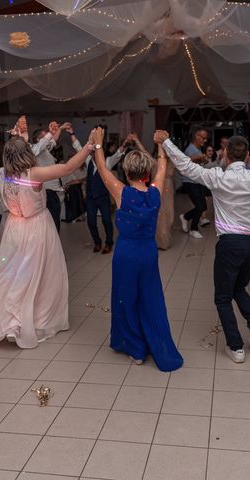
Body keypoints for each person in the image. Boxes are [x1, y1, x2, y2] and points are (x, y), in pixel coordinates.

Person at [158, 130, 250, 363]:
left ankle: (236, 347)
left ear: (226, 154)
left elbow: (185, 166)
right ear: (247, 156)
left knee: (222, 297)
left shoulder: (218, 177)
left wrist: (165, 141)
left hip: (230, 244)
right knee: (239, 287)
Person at [0, 134, 93, 348]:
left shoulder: (2, 175)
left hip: (13, 227)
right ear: (27, 153)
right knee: (42, 274)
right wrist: (89, 146)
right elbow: (67, 168)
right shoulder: (34, 174)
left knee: (10, 272)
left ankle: (3, 315)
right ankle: (35, 319)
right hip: (36, 227)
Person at [90, 127, 182, 371]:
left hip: (127, 254)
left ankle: (135, 348)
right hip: (148, 253)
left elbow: (101, 169)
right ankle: (155, 341)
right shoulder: (155, 192)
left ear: (127, 171)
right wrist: (161, 145)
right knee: (151, 297)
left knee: (126, 297)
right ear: (146, 172)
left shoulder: (122, 193)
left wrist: (98, 144)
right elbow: (162, 166)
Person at [31, 121, 82, 232]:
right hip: (46, 192)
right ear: (38, 140)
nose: (49, 138)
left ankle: (53, 246)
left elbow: (54, 141)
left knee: (55, 223)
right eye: (45, 137)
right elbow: (44, 143)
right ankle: (52, 247)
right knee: (52, 225)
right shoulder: (35, 151)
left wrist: (61, 128)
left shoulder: (44, 150)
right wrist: (50, 132)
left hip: (52, 193)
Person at [85, 132, 129, 254]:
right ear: (92, 153)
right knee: (91, 222)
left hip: (103, 197)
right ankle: (97, 242)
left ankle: (109, 243)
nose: (96, 154)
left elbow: (118, 154)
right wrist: (72, 134)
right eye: (94, 152)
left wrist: (125, 143)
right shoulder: (88, 160)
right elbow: (78, 147)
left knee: (106, 220)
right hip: (90, 198)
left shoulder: (107, 162)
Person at [179, 128, 209, 239]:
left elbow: (196, 164)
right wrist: (199, 157)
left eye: (206, 138)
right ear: (197, 136)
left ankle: (185, 217)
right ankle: (193, 229)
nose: (205, 141)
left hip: (197, 181)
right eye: (203, 138)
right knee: (200, 206)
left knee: (203, 206)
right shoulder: (190, 149)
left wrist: (203, 160)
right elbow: (186, 160)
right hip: (189, 182)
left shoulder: (198, 149)